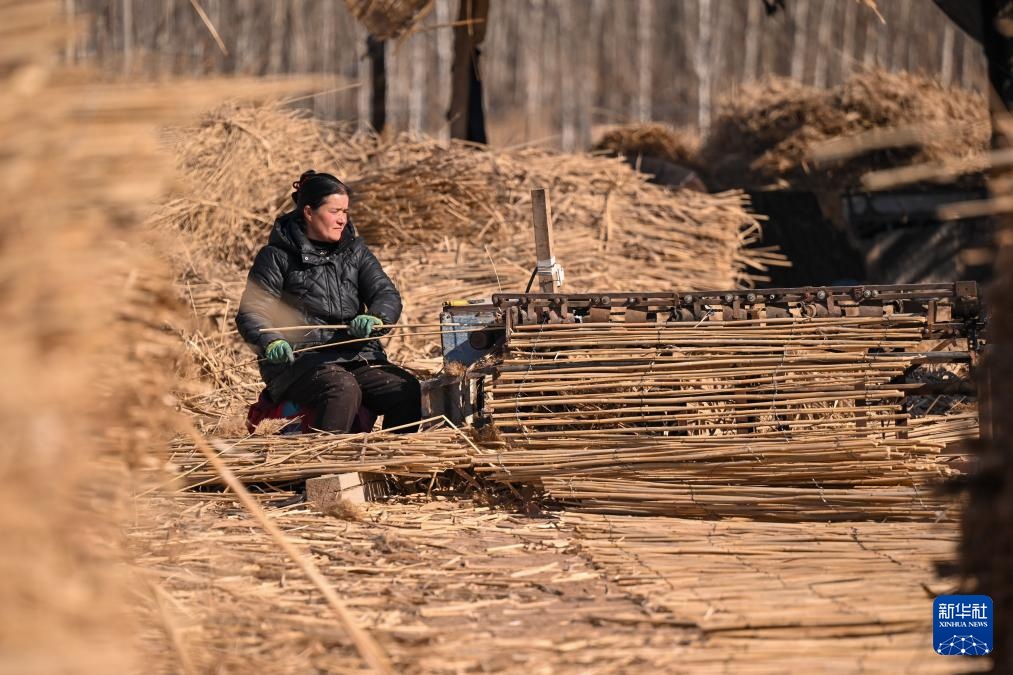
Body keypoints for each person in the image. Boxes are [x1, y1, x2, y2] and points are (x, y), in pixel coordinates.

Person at [236, 170, 421, 433]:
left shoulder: (355, 251)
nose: (342, 219)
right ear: (309, 213)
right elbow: (252, 311)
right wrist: (271, 341)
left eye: (345, 212)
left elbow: (385, 294)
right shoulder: (276, 256)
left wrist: (376, 317)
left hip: (356, 355)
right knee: (342, 389)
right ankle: (325, 458)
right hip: (299, 362)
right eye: (335, 211)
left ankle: (390, 457)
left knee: (404, 388)